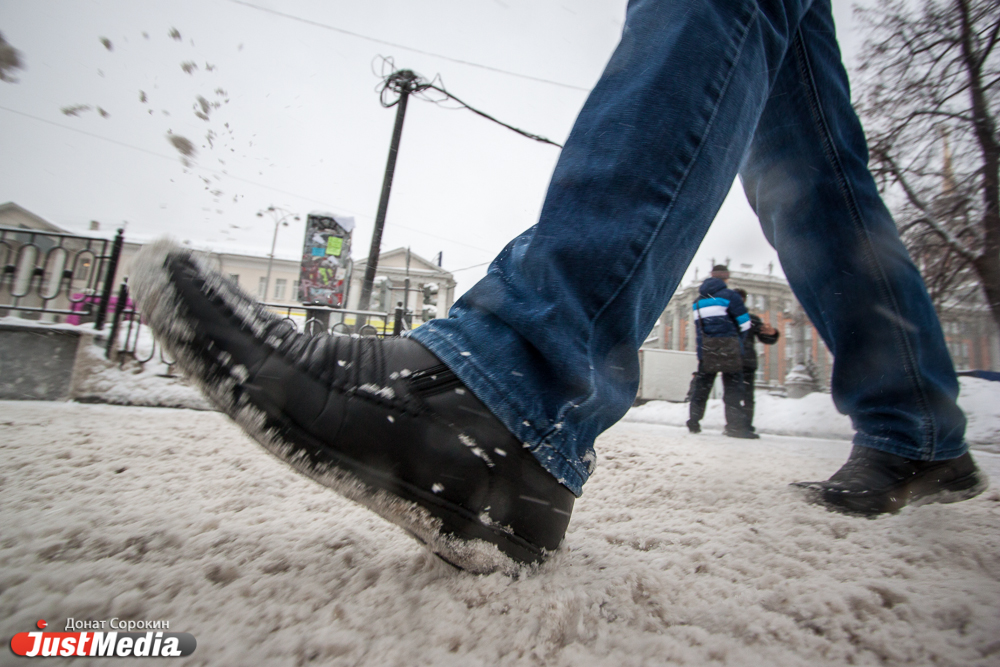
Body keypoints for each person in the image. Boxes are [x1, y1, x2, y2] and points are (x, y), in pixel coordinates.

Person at [132, 0, 988, 574]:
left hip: (718, 358)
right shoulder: (718, 298)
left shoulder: (722, 299)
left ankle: (514, 391)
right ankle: (913, 419)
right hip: (728, 353)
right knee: (805, 149)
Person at [685, 265, 754, 437]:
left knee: (702, 388)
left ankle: (693, 422)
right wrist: (737, 341)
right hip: (729, 350)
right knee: (732, 389)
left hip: (707, 350)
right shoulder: (731, 296)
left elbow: (699, 328)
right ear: (726, 278)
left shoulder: (697, 302)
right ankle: (734, 427)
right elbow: (745, 324)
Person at [733, 287, 780, 435]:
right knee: (735, 396)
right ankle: (736, 426)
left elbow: (765, 337)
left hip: (745, 362)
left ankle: (745, 426)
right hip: (733, 361)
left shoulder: (751, 318)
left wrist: (773, 334)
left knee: (744, 396)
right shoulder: (727, 317)